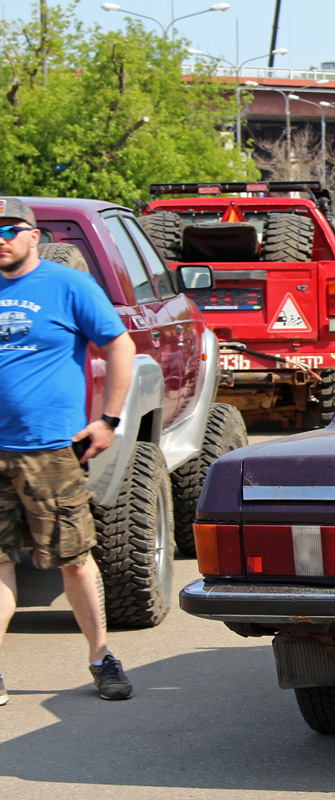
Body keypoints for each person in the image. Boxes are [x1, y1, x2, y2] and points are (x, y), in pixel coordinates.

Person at [0, 197, 137, 703]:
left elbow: (121, 345)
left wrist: (109, 419)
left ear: (33, 235)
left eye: (9, 229)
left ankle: (101, 658)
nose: (0, 238)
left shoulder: (68, 285)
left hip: (50, 451)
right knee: (0, 564)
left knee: (74, 560)